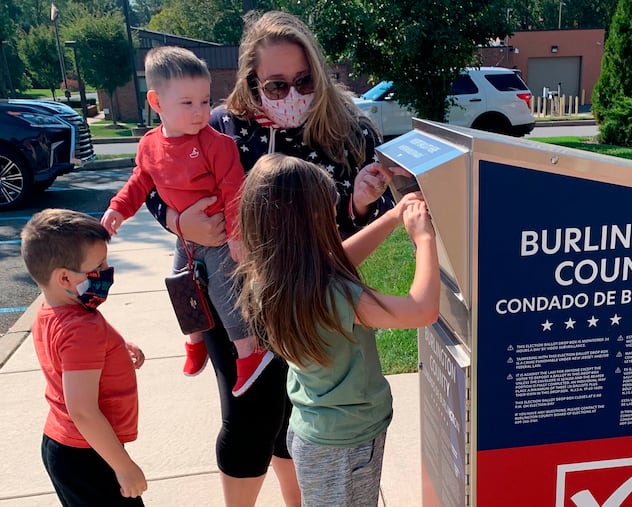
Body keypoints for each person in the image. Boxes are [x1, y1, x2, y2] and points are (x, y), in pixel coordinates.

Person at [143, 11, 396, 506]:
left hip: (311, 300)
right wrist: (177, 222)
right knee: (250, 413)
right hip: (231, 294)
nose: (292, 94)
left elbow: (371, 222)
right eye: (275, 85)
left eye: (303, 80)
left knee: (295, 411)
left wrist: (361, 204)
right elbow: (153, 180)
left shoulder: (350, 132)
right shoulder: (218, 129)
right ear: (251, 82)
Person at [236, 153, 440, 506]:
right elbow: (421, 310)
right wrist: (424, 239)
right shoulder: (335, 296)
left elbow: (339, 259)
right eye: (327, 208)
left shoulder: (273, 276)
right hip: (347, 445)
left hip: (317, 432)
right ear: (309, 221)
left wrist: (393, 217)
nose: (334, 211)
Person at [101, 45, 273, 398]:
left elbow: (234, 191)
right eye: (187, 103)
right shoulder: (149, 145)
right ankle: (194, 343)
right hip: (186, 240)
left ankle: (249, 352)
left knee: (226, 298)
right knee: (180, 287)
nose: (200, 112)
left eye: (205, 101)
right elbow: (140, 181)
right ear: (156, 102)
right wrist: (119, 208)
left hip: (222, 240)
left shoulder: (217, 145)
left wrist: (238, 237)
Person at [20, 209, 147, 506]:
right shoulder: (82, 329)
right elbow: (83, 411)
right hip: (89, 457)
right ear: (64, 277)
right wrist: (124, 466)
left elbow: (66, 353)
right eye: (99, 265)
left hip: (67, 447)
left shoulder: (52, 312)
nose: (107, 270)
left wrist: (114, 347)